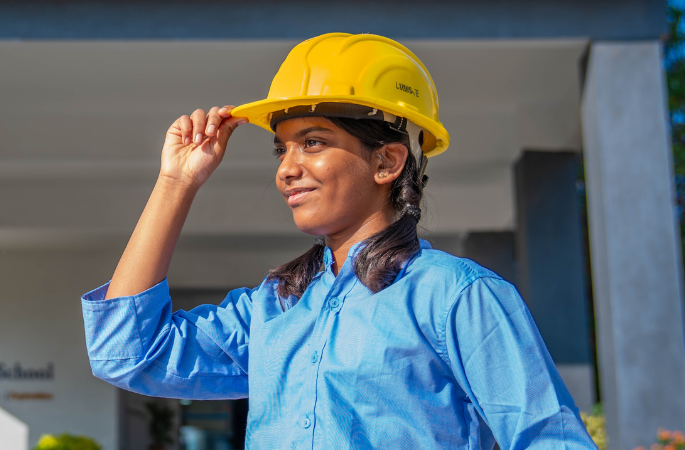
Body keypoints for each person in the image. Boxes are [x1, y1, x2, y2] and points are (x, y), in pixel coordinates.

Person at [80, 33, 598, 449]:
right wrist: (176, 183)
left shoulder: (457, 296)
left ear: (386, 161)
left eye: (313, 143)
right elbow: (127, 354)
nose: (287, 169)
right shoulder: (275, 308)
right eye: (281, 149)